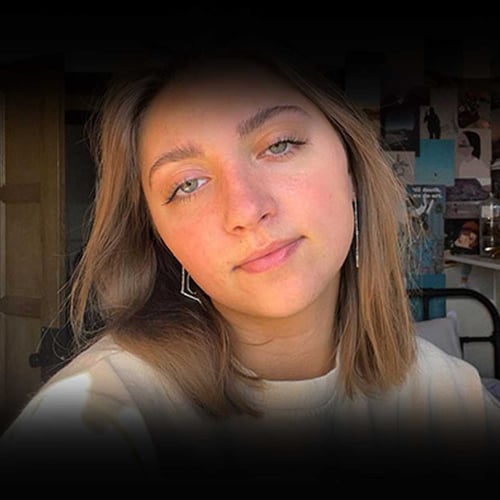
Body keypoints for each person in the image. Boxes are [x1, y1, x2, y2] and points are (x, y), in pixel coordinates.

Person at [1, 42, 500, 485]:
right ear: (160, 239)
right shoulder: (95, 419)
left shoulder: (451, 398)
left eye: (278, 145)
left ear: (351, 166)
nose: (245, 209)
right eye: (187, 184)